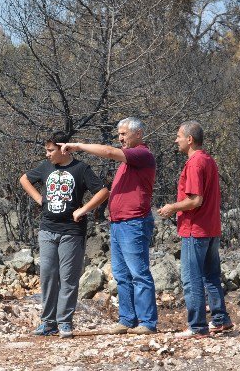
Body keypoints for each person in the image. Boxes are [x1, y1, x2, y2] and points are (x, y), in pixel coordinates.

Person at [58, 117, 158, 335]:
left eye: (124, 134)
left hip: (134, 223)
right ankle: (127, 319)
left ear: (138, 134)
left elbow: (109, 151)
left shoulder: (142, 154)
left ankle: (147, 322)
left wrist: (78, 146)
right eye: (119, 134)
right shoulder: (127, 163)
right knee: (122, 275)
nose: (120, 138)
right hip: (119, 223)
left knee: (138, 273)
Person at [20, 131, 109, 338]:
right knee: (48, 276)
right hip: (47, 229)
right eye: (46, 150)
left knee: (68, 278)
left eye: (51, 150)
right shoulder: (45, 167)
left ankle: (65, 322)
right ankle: (48, 322)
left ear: (63, 148)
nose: (47, 154)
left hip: (72, 231)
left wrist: (83, 209)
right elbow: (24, 179)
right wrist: (40, 200)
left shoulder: (81, 169)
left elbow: (103, 191)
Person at [157, 120, 233, 338]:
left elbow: (195, 200)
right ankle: (220, 320)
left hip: (195, 229)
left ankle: (197, 326)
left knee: (191, 279)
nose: (176, 140)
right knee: (211, 276)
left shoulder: (194, 163)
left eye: (179, 136)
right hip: (211, 228)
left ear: (189, 139)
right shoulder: (209, 160)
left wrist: (172, 207)